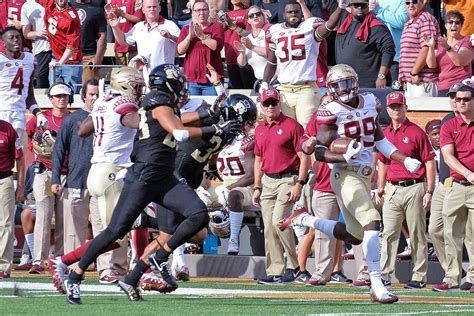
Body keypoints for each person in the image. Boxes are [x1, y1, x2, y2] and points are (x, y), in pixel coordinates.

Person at [62, 64, 241, 305]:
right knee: (116, 231)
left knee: (198, 215)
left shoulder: (161, 104)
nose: (181, 88)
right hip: (144, 176)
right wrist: (215, 127)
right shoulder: (158, 102)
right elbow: (179, 132)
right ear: (168, 84)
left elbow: (177, 119)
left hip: (164, 176)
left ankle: (151, 263)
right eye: (178, 83)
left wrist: (210, 113)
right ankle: (75, 274)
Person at [285, 64, 422, 303]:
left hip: (363, 174)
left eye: (348, 82)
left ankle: (305, 219)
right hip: (345, 174)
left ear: (356, 82)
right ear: (331, 89)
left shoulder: (370, 101)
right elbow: (319, 151)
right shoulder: (330, 109)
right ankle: (377, 284)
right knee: (372, 221)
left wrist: (404, 157)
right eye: (339, 85)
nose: (345, 89)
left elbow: (380, 141)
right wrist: (342, 156)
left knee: (355, 235)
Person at [46, 67, 145, 294]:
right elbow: (140, 123)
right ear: (125, 85)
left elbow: (84, 130)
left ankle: (140, 269)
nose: (140, 90)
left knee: (129, 225)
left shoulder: (104, 103)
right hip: (112, 172)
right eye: (137, 85)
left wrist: (103, 113)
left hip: (99, 171)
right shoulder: (125, 106)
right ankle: (63, 262)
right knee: (116, 234)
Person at [376, 92, 436, 289]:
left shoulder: (416, 132)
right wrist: (380, 187)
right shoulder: (384, 134)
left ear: (405, 107)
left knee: (417, 232)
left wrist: (429, 190)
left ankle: (419, 276)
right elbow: (383, 163)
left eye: (399, 106)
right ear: (387, 109)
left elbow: (429, 162)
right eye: (392, 107)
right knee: (389, 233)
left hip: (414, 186)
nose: (396, 110)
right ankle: (385, 275)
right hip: (392, 187)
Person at [252, 87, 310, 285]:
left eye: (273, 103)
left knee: (279, 221)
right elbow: (258, 160)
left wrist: (300, 183)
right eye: (266, 103)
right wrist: (257, 187)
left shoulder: (292, 126)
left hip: (288, 178)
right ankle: (275, 271)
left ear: (279, 104)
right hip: (267, 181)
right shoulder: (259, 129)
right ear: (261, 105)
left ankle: (294, 267)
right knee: (269, 228)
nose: (270, 107)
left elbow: (304, 157)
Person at [261, 0, 345, 127]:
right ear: (283, 15)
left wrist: (340, 7)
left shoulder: (309, 27)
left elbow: (328, 26)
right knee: (287, 129)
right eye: (289, 12)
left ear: (302, 13)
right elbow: (272, 62)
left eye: (296, 11)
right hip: (284, 90)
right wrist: (265, 82)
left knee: (306, 129)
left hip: (306, 88)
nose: (293, 14)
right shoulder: (274, 31)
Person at [26, 82, 71, 273]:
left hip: (67, 172)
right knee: (43, 215)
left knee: (65, 218)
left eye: (65, 96)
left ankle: (60, 259)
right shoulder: (41, 119)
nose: (62, 99)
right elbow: (30, 136)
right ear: (50, 99)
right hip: (45, 171)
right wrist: (36, 149)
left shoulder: (75, 119)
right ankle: (38, 260)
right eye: (58, 96)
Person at [433, 84, 474, 292]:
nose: (461, 102)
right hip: (457, 184)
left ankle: (473, 278)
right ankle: (452, 277)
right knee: (449, 233)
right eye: (458, 99)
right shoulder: (449, 124)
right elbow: (448, 156)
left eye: (466, 99)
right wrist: (468, 174)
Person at [0, 26, 48, 141]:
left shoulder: (30, 59)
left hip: (19, 114)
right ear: (3, 43)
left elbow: (29, 95)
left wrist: (38, 113)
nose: (16, 40)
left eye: (18, 37)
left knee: (18, 155)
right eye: (11, 38)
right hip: (1, 112)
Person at [335, 0, 395, 88]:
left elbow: (389, 51)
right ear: (351, 6)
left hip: (369, 85)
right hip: (346, 83)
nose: (360, 8)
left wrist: (381, 76)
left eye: (363, 6)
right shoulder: (344, 23)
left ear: (368, 7)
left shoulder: (376, 26)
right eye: (356, 5)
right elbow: (329, 24)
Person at [215, 131, 256, 255]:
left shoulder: (246, 142)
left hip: (245, 186)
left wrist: (228, 189)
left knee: (233, 195)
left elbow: (251, 176)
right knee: (194, 197)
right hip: (223, 185)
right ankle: (189, 244)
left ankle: (233, 239)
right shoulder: (216, 141)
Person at [108, 0, 180, 71]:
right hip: (144, 76)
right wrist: (115, 27)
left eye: (154, 7)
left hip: (164, 75)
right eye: (149, 7)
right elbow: (123, 41)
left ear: (159, 9)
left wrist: (171, 37)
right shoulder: (138, 27)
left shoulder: (169, 25)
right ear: (143, 10)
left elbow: (182, 42)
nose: (152, 9)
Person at [177, 0, 225, 96]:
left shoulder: (216, 27)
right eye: (198, 10)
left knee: (212, 108)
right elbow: (180, 51)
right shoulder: (186, 29)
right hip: (191, 80)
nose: (201, 13)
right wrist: (189, 37)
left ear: (208, 11)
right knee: (193, 109)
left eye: (204, 10)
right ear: (193, 12)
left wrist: (201, 36)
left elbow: (217, 46)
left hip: (212, 79)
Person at [425, 11, 473, 97]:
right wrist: (431, 47)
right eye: (450, 22)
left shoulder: (466, 41)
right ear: (446, 25)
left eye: (457, 23)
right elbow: (431, 65)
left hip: (461, 87)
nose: (454, 25)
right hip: (443, 87)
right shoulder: (442, 43)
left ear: (461, 26)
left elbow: (460, 61)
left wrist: (447, 47)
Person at [39, 0, 82, 93]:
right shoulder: (50, 4)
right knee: (54, 93)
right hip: (55, 57)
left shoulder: (72, 17)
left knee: (70, 96)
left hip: (71, 61)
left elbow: (72, 45)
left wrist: (60, 62)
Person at [0, 119, 25, 278]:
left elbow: (20, 158)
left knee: (5, 223)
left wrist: (21, 186)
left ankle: (3, 266)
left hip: (4, 179)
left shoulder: (8, 129)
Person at [399, 0, 439, 97]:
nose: (411, 5)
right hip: (412, 81)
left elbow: (426, 48)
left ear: (422, 2)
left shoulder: (425, 19)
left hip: (423, 81)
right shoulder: (409, 21)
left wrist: (414, 72)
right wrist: (403, 73)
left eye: (414, 1)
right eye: (407, 2)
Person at [372, 0, 408, 84]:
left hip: (394, 60)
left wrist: (379, 10)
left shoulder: (402, 2)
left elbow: (401, 21)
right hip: (375, 59)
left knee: (395, 94)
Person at [71, 0, 107, 83]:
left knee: (88, 89)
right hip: (70, 56)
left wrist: (98, 58)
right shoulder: (68, 6)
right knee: (69, 91)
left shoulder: (97, 9)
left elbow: (102, 35)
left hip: (89, 56)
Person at [21, 0, 52, 88]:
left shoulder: (57, 2)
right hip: (41, 49)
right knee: (40, 79)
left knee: (60, 81)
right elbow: (26, 33)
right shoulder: (27, 6)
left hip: (59, 48)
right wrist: (37, 33)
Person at [235, 5, 270, 83]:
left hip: (275, 81)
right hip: (260, 82)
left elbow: (272, 53)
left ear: (263, 16)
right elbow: (242, 64)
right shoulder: (248, 37)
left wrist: (252, 47)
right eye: (251, 16)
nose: (255, 16)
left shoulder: (271, 30)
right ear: (248, 21)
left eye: (257, 14)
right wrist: (242, 52)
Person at [105, 0, 144, 66]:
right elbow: (109, 22)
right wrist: (110, 14)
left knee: (133, 72)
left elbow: (139, 19)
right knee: (122, 73)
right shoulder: (113, 1)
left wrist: (122, 14)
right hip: (118, 45)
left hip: (133, 45)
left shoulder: (136, 1)